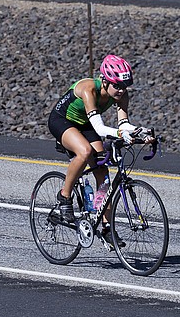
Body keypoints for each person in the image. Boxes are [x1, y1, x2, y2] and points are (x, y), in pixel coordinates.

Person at [47, 54, 152, 247]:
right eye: (117, 85)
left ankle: (105, 227)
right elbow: (102, 129)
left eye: (125, 86)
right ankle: (64, 196)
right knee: (85, 152)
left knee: (102, 171)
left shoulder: (122, 94)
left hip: (87, 125)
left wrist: (142, 132)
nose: (121, 90)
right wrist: (121, 134)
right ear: (104, 81)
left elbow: (124, 123)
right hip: (62, 121)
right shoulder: (89, 90)